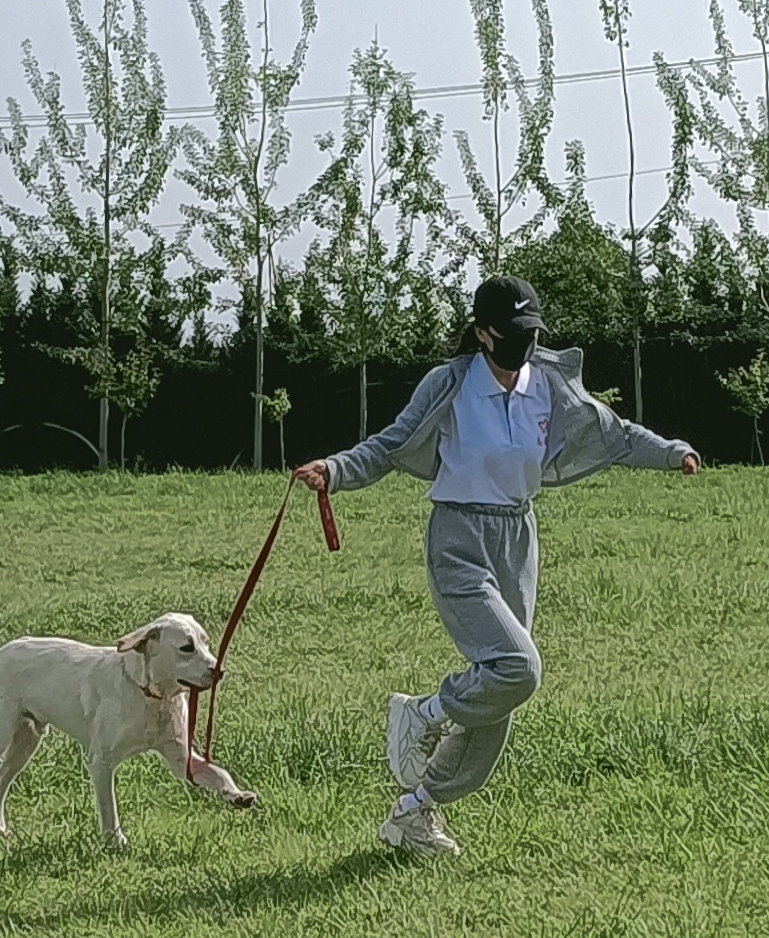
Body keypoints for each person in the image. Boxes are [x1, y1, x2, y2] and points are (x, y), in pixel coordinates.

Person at [293, 274, 700, 858]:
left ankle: (414, 812)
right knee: (518, 667)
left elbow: (613, 434)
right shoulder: (451, 383)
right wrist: (335, 469)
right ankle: (424, 713)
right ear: (482, 334)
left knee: (500, 693)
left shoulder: (550, 385)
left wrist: (671, 452)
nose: (524, 343)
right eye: (511, 333)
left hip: (518, 538)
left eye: (531, 331)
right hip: (459, 537)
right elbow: (389, 443)